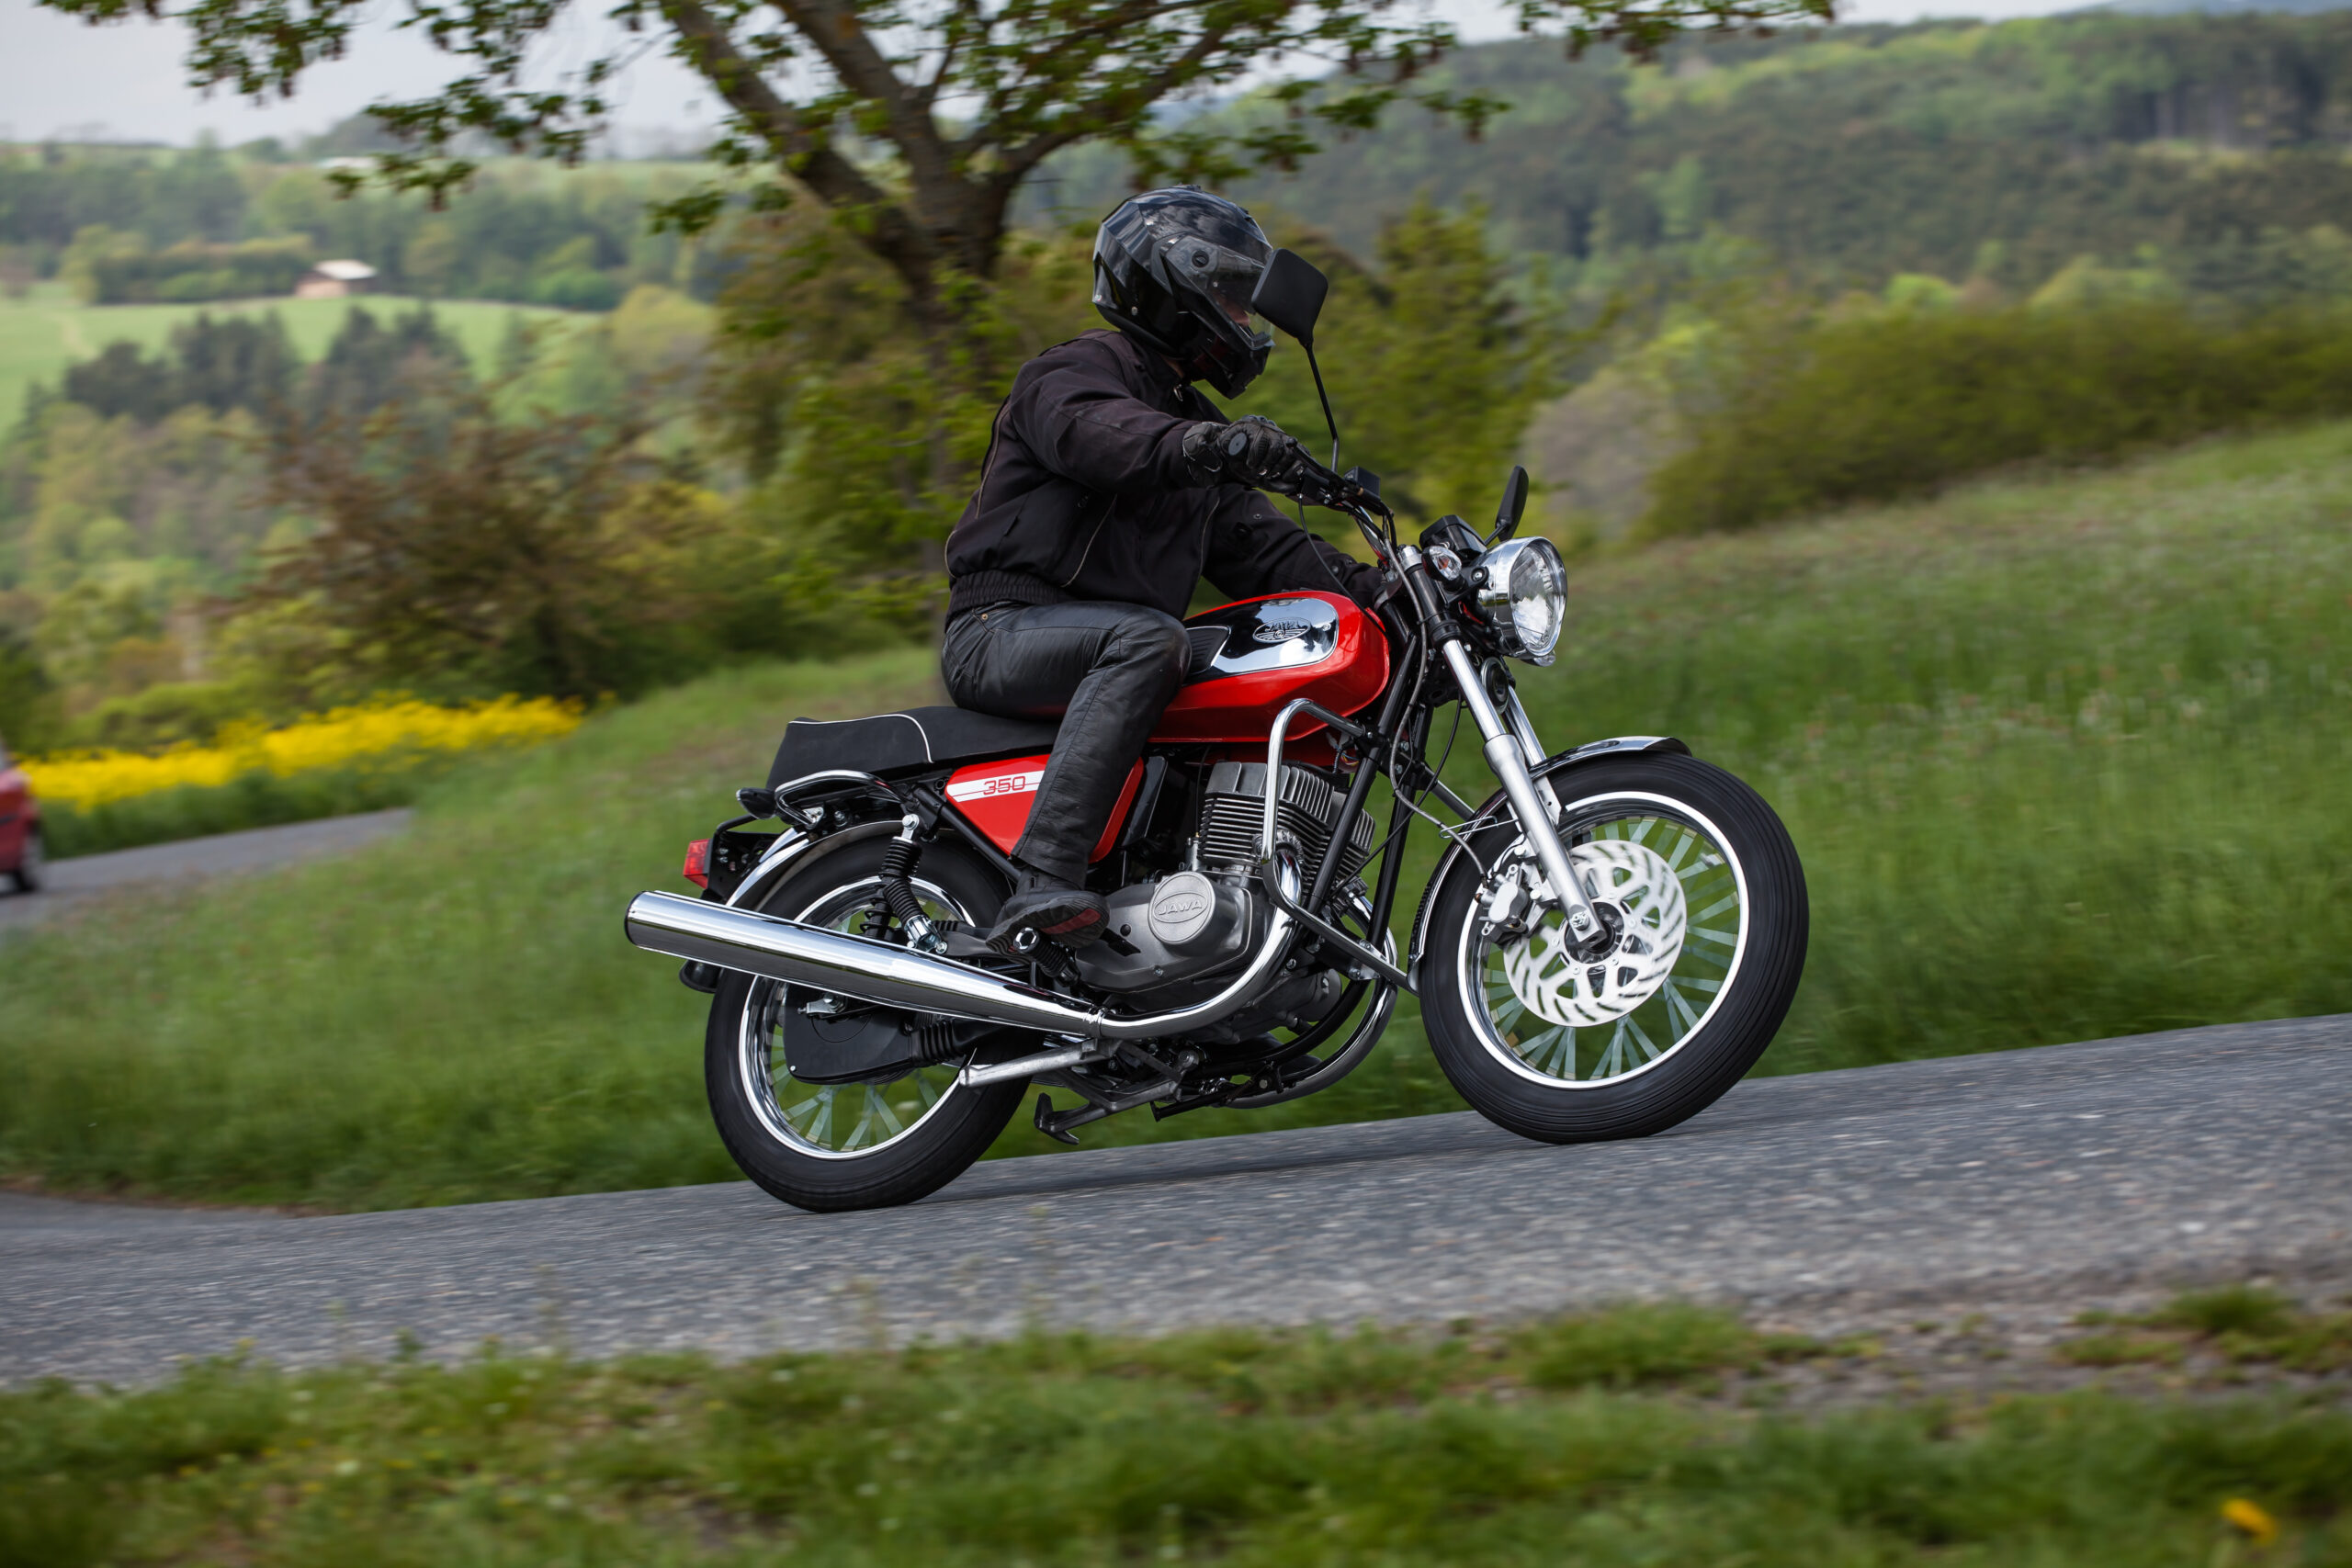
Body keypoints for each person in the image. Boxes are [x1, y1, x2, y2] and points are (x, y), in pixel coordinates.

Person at [942, 186, 1383, 951]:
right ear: (1172, 280)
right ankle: (1042, 881)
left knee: (1251, 656)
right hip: (1001, 627)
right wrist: (1205, 447)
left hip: (1106, 645)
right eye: (1231, 297)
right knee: (1152, 640)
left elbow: (1272, 554)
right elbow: (1100, 436)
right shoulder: (1075, 371)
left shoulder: (1194, 427)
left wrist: (1391, 596)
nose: (1242, 318)